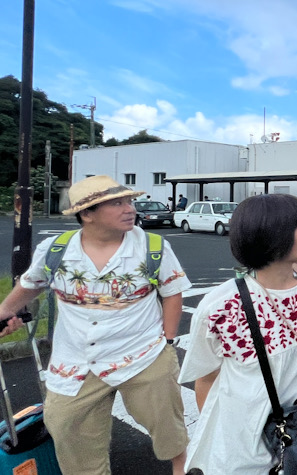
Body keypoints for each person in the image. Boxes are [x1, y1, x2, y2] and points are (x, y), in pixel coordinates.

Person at [0, 175, 190, 475]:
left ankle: (181, 468)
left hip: (143, 355)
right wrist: (4, 311)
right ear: (87, 214)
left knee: (169, 428)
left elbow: (172, 291)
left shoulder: (153, 247)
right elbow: (30, 285)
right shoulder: (56, 250)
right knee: (66, 428)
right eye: (117, 203)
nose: (130, 209)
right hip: (76, 361)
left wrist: (167, 341)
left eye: (129, 201)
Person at [180, 194, 297, 474]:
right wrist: (223, 436)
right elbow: (206, 378)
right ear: (270, 236)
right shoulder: (222, 306)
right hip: (245, 437)